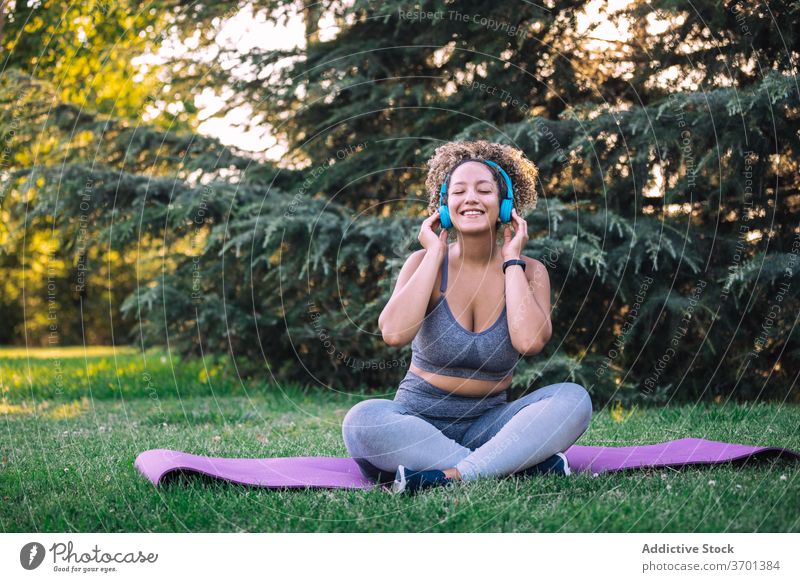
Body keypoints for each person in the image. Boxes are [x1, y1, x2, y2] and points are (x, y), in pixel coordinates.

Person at [341, 140, 592, 494]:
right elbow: (394, 333)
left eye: (484, 190)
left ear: (506, 205)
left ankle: (452, 476)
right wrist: (434, 253)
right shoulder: (424, 262)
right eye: (458, 191)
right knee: (362, 422)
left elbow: (530, 341)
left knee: (574, 399)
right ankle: (506, 467)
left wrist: (512, 261)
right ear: (444, 206)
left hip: (492, 424)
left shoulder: (530, 271)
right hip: (417, 424)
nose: (470, 198)